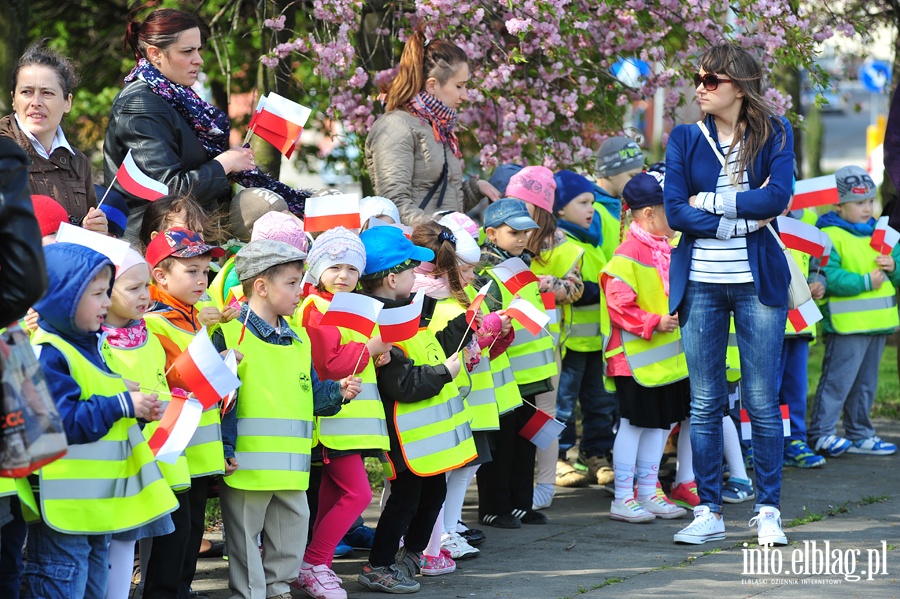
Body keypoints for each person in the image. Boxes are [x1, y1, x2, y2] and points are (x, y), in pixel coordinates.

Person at [664, 43, 794, 546]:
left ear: (739, 87)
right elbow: (676, 211)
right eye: (698, 77)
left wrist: (715, 202)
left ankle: (767, 510)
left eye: (711, 80)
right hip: (700, 281)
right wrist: (738, 222)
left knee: (762, 401)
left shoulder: (773, 132)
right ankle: (710, 509)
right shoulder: (683, 137)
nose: (700, 87)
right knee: (704, 401)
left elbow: (777, 198)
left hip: (757, 281)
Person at [25, 242, 176, 597]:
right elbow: (61, 423)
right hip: (66, 509)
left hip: (95, 506)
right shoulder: (50, 353)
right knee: (63, 586)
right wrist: (122, 405)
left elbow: (104, 420)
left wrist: (136, 415)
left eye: (107, 292)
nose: (107, 302)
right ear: (63, 297)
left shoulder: (88, 344)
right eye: (97, 294)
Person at [213, 239, 361, 599]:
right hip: (246, 466)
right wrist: (225, 447)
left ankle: (278, 590)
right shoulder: (229, 333)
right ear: (261, 286)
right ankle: (251, 594)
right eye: (292, 283)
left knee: (290, 538)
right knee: (245, 542)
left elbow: (310, 394)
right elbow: (221, 402)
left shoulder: (298, 340)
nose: (300, 291)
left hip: (293, 470)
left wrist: (336, 392)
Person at [105, 8, 308, 237]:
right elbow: (168, 192)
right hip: (155, 245)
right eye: (187, 51)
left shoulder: (175, 97)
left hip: (191, 238)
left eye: (198, 50)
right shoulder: (141, 104)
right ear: (154, 54)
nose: (199, 60)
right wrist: (225, 163)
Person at [356, 225, 476, 594]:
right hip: (404, 438)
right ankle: (378, 565)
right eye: (412, 270)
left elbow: (430, 348)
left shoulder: (407, 311)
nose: (418, 277)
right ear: (393, 278)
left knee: (432, 495)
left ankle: (410, 556)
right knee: (405, 500)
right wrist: (445, 372)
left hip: (425, 439)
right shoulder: (383, 322)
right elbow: (402, 384)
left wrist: (464, 325)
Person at [294, 227, 390, 599]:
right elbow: (327, 364)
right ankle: (314, 563)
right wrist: (372, 347)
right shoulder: (315, 307)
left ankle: (318, 565)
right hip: (330, 422)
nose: (344, 276)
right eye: (335, 266)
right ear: (317, 269)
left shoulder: (348, 305)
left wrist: (376, 353)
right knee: (358, 495)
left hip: (347, 425)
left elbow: (353, 357)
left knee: (336, 497)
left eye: (352, 269)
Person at [142, 227, 229, 599]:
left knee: (192, 530)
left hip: (197, 447)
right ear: (160, 275)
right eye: (191, 271)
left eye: (205, 271)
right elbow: (174, 378)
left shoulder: (195, 317)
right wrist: (215, 362)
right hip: (173, 447)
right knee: (174, 533)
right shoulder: (152, 320)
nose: (202, 279)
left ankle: (182, 588)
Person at [601, 173, 689, 523]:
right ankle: (623, 497)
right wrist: (654, 322)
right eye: (671, 208)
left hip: (663, 362)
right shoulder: (627, 255)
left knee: (659, 425)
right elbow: (618, 305)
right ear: (649, 214)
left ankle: (649, 491)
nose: (677, 215)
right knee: (633, 425)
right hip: (632, 360)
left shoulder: (668, 247)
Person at [499, 165, 587, 504]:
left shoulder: (561, 245)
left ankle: (546, 485)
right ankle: (506, 487)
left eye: (523, 203)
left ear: (541, 208)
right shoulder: (497, 236)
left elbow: (577, 289)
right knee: (508, 413)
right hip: (503, 341)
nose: (516, 209)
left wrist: (548, 285)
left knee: (545, 413)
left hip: (544, 345)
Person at [100, 249, 182, 599]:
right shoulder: (92, 339)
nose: (145, 296)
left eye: (146, 286)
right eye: (133, 288)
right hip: (109, 459)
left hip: (155, 451)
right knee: (101, 544)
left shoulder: (154, 330)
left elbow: (178, 374)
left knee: (126, 538)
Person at [808, 165, 900, 457]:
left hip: (878, 324)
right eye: (859, 203)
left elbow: (898, 274)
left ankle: (861, 434)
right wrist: (863, 282)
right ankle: (821, 433)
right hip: (846, 326)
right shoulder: (828, 234)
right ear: (838, 204)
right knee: (837, 382)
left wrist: (894, 267)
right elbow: (827, 276)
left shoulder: (883, 233)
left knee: (865, 386)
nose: (867, 208)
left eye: (870, 201)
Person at [364, 28, 499, 226]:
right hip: (418, 251)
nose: (465, 95)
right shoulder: (395, 126)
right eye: (459, 86)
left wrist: (475, 188)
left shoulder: (437, 127)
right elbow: (394, 206)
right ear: (432, 86)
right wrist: (443, 231)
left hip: (442, 249)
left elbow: (442, 203)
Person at [474, 199, 551, 528]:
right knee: (502, 442)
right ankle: (494, 507)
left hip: (529, 373)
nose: (522, 238)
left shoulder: (522, 265)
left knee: (526, 440)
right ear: (491, 233)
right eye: (513, 232)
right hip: (505, 373)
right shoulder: (487, 273)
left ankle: (521, 502)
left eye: (526, 231)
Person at [553, 170, 618, 487]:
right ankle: (559, 457)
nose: (591, 208)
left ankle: (597, 454)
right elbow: (573, 289)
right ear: (560, 208)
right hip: (569, 343)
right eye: (582, 202)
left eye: (592, 201)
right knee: (562, 404)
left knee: (599, 403)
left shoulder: (591, 242)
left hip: (595, 342)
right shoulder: (562, 242)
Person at [1, 40, 107, 234]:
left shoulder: (79, 162)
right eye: (26, 92)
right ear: (13, 100)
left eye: (47, 93)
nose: (36, 102)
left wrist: (94, 229)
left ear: (68, 102)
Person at [592, 137, 645, 261]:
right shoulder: (593, 211)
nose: (637, 182)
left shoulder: (622, 208)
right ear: (609, 173)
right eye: (632, 176)